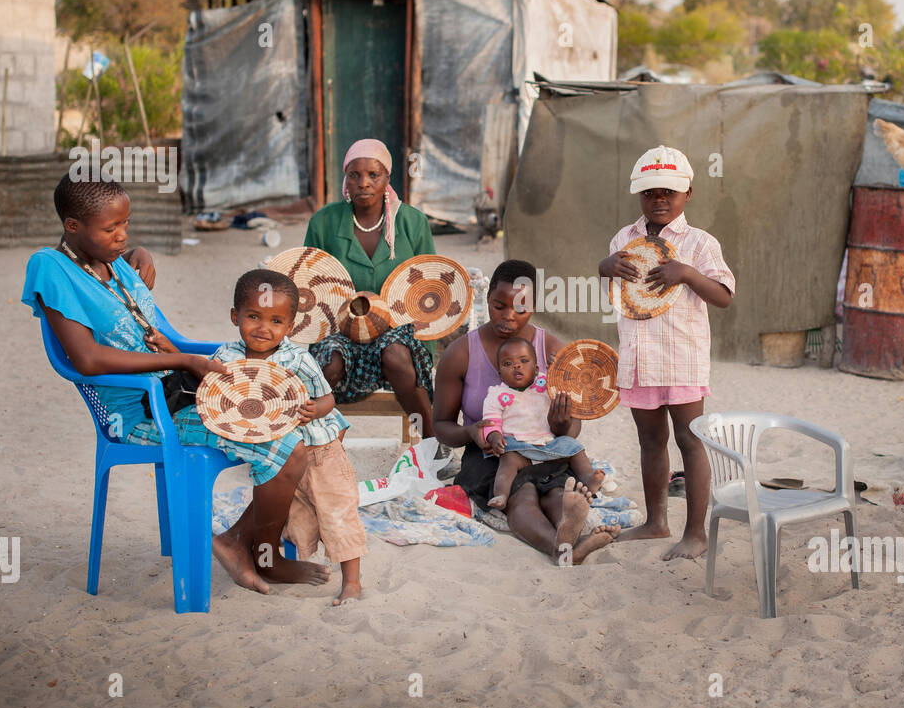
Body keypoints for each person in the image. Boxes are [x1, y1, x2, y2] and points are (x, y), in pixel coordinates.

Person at [22, 174, 328, 596]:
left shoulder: (112, 262)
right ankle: (262, 555)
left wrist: (135, 252)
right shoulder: (50, 267)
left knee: (298, 431)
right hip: (139, 411)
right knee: (285, 446)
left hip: (176, 393)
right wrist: (182, 359)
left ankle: (242, 544)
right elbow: (87, 360)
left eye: (126, 225)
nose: (122, 235)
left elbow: (119, 284)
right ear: (72, 226)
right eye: (111, 229)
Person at [598, 145, 735, 560]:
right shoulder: (625, 238)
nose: (659, 200)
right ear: (639, 195)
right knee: (650, 442)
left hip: (681, 360)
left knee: (691, 442)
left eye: (668, 193)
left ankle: (696, 534)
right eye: (650, 193)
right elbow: (613, 284)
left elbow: (725, 296)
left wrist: (688, 275)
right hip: (639, 358)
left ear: (687, 194)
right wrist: (605, 266)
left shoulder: (700, 243)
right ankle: (656, 522)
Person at [433, 260, 617, 564]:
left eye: (520, 308)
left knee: (559, 493)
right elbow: (441, 425)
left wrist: (561, 423)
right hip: (492, 456)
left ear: (534, 306)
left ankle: (571, 531)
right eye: (498, 305)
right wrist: (470, 432)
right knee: (522, 497)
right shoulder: (461, 353)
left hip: (546, 450)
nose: (508, 317)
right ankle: (560, 550)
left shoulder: (553, 351)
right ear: (487, 298)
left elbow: (571, 433)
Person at [216, 269, 368, 605]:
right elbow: (218, 398)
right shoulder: (227, 358)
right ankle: (268, 563)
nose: (263, 328)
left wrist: (317, 408)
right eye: (253, 316)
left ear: (290, 326)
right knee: (291, 515)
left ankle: (352, 584)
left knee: (337, 513)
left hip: (320, 450)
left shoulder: (297, 358)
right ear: (234, 316)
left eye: (275, 321)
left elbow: (328, 397)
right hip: (281, 452)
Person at [304, 139, 438, 438]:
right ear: (346, 179)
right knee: (331, 362)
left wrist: (425, 349)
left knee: (395, 356)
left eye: (373, 175)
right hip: (337, 328)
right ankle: (317, 444)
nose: (363, 183)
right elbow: (309, 289)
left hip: (400, 328)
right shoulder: (324, 222)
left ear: (387, 178)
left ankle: (432, 443)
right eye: (355, 175)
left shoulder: (412, 223)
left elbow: (429, 292)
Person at [481, 336, 604, 510]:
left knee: (574, 447)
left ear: (537, 368)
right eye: (508, 364)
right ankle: (501, 494)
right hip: (518, 448)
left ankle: (589, 480)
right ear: (499, 373)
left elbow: (566, 387)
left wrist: (558, 367)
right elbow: (491, 421)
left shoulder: (546, 383)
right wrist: (494, 437)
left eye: (524, 361)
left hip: (549, 444)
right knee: (507, 462)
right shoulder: (496, 394)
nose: (517, 366)